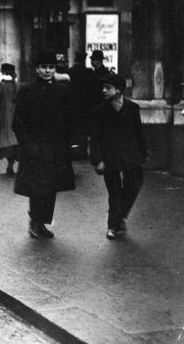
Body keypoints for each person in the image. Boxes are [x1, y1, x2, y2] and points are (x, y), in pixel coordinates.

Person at [13, 50, 75, 239]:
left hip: (55, 148)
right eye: (43, 67)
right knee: (36, 187)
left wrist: (68, 144)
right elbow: (18, 122)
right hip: (33, 147)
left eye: (50, 67)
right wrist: (27, 145)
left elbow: (70, 119)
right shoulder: (26, 90)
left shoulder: (62, 92)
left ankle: (43, 223)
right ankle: (35, 222)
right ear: (36, 69)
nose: (47, 71)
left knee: (51, 187)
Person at [90, 73, 147, 240]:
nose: (104, 91)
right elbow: (95, 138)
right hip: (110, 159)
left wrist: (144, 152)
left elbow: (138, 132)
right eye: (103, 87)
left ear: (119, 90)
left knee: (135, 184)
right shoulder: (99, 112)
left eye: (108, 88)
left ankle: (120, 216)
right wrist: (97, 160)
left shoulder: (132, 108)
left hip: (131, 156)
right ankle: (114, 226)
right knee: (114, 193)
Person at [68, 52, 102, 159]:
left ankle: (73, 150)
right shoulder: (89, 72)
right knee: (84, 128)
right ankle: (82, 151)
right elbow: (95, 90)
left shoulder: (70, 72)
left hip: (72, 105)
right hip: (86, 106)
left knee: (74, 128)